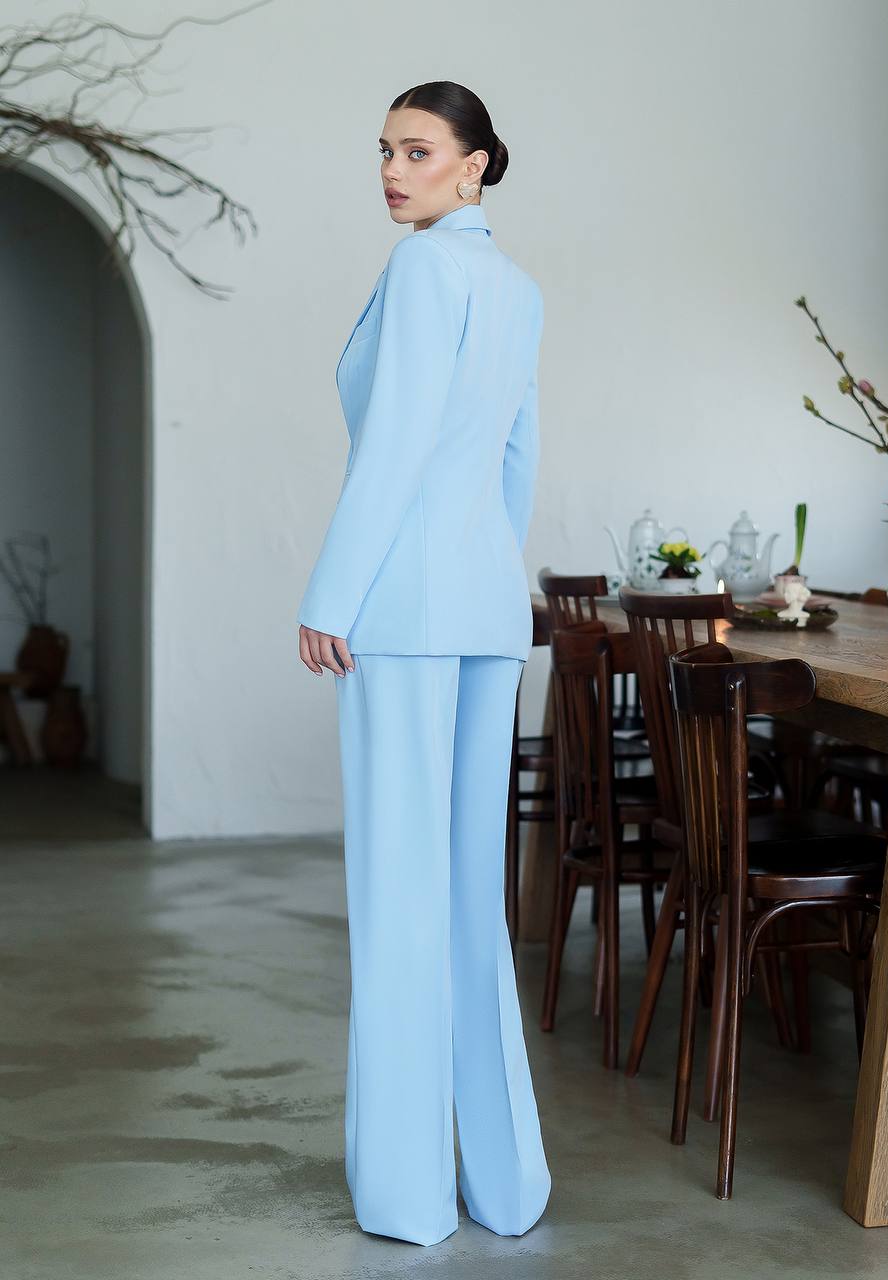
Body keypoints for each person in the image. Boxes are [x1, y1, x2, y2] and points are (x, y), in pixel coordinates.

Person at [296, 80, 551, 1247]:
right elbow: (513, 464)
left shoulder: (421, 271)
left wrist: (329, 594)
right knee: (467, 899)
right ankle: (508, 1186)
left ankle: (406, 1194)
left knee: (401, 896)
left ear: (474, 166)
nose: (392, 170)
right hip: (489, 608)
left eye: (417, 150)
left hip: (399, 610)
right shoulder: (517, 290)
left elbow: (392, 440)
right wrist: (497, 581)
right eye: (385, 150)